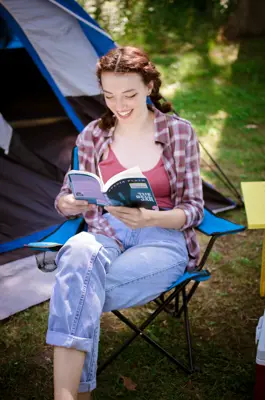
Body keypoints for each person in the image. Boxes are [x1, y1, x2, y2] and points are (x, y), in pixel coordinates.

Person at [46, 46, 204, 400]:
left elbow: (195, 209)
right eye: (109, 95)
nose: (119, 105)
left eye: (130, 94)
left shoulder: (179, 133)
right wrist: (70, 202)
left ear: (149, 85)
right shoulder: (92, 136)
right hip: (106, 231)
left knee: (74, 289)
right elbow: (65, 196)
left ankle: (70, 395)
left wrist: (152, 217)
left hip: (162, 236)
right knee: (78, 253)